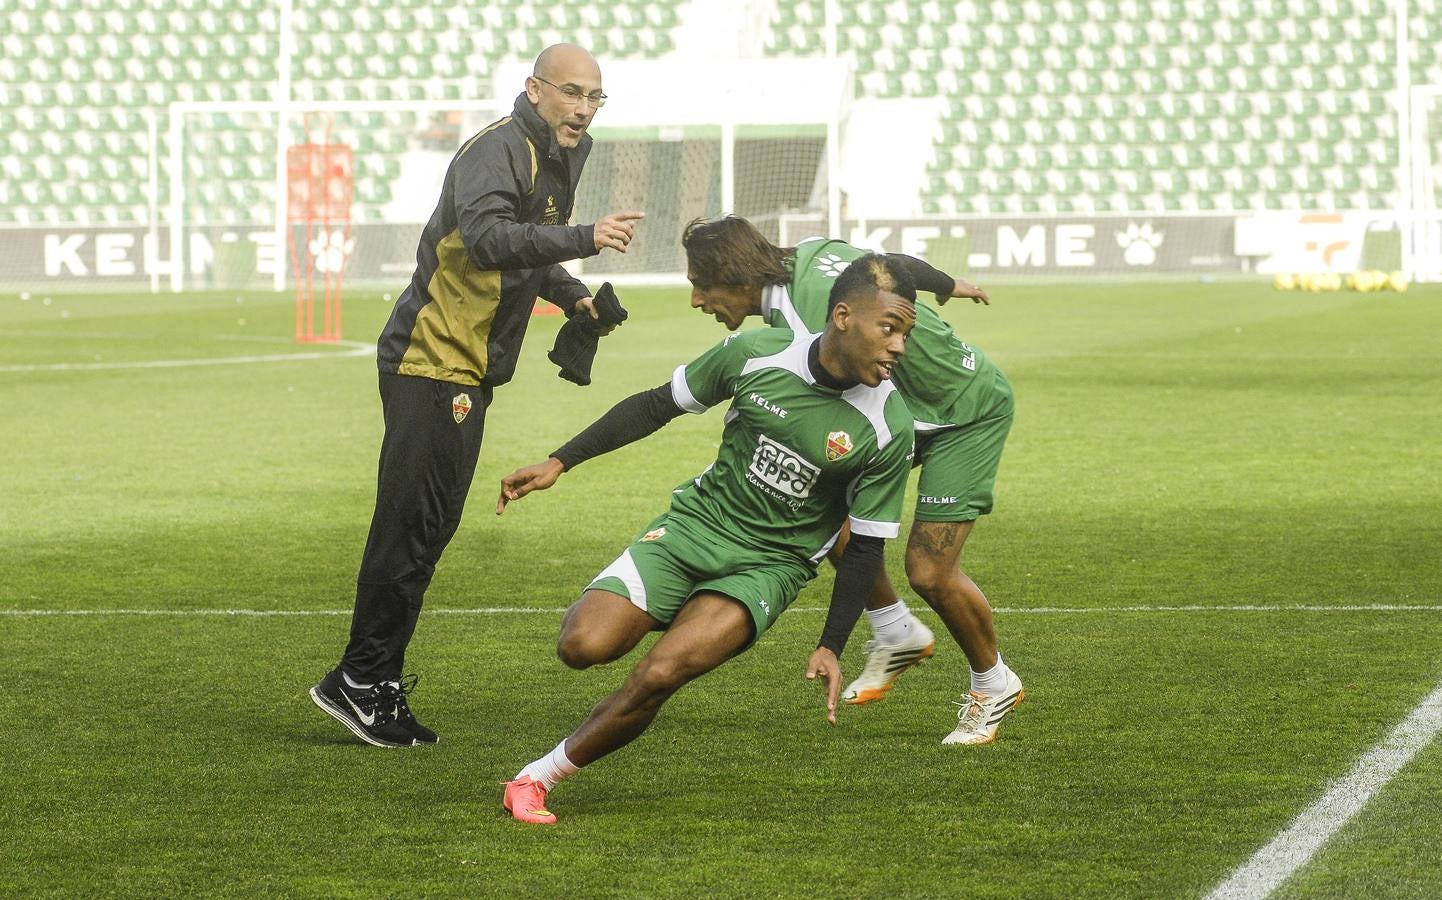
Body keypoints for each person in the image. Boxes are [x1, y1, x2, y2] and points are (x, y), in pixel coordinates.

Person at [495, 255, 919, 824]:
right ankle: (670, 605)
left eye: (906, 334)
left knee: (660, 674)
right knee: (583, 646)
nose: (898, 346)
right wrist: (560, 460)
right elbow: (654, 406)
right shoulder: (756, 355)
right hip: (696, 526)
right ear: (843, 317)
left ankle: (536, 778)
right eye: (889, 328)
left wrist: (832, 643)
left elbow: (865, 547)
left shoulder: (890, 427)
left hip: (769, 566)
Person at [309, 44, 645, 749]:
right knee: (412, 527)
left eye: (596, 97)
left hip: (467, 367)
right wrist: (586, 237)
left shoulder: (560, 153)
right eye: (572, 93)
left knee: (426, 528)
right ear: (534, 89)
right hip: (433, 360)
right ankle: (361, 679)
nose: (583, 108)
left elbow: (525, 246)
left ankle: (374, 679)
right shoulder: (496, 149)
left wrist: (573, 292)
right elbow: (490, 241)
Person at [680, 215, 1022, 746]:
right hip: (907, 410)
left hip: (963, 413)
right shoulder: (816, 255)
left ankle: (994, 681)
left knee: (929, 571)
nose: (698, 301)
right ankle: (895, 631)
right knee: (823, 501)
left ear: (738, 276)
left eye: (702, 285)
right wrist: (949, 285)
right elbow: (895, 268)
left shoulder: (806, 316)